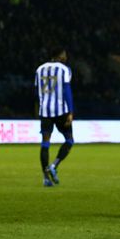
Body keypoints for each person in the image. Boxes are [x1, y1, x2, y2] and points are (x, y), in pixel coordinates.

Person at [35, 48, 75, 187]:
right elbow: (66, 90)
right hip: (61, 110)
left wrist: (39, 108)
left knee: (45, 143)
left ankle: (46, 178)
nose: (66, 56)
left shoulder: (39, 69)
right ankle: (54, 165)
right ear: (59, 55)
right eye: (64, 54)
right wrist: (70, 111)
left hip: (45, 111)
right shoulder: (64, 69)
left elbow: (37, 91)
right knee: (69, 140)